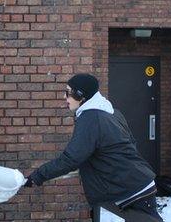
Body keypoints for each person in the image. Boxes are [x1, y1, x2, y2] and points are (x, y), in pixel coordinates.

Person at [24, 73, 163, 222]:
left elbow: (70, 159)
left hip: (129, 191)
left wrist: (37, 176)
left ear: (81, 95)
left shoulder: (91, 118)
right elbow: (130, 144)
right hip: (136, 183)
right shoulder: (111, 112)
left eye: (68, 93)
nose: (65, 97)